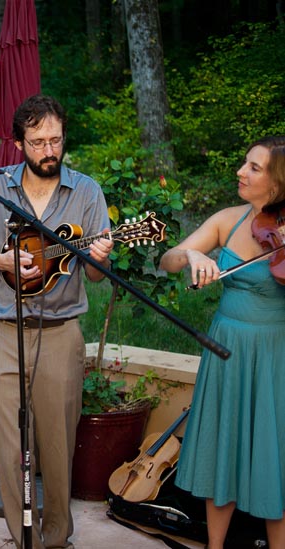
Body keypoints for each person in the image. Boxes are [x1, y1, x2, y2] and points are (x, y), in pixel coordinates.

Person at [0, 94, 114, 549]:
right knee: (10, 446)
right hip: (3, 331)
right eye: (38, 142)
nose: (49, 150)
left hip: (62, 331)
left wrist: (99, 258)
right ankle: (21, 537)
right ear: (17, 143)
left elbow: (93, 274)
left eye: (56, 140)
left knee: (57, 442)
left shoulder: (86, 191)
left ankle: (56, 538)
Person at [159, 136, 285, 549]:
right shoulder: (227, 219)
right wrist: (192, 257)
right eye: (244, 163)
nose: (241, 172)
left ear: (278, 182)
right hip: (226, 349)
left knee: (274, 456)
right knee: (223, 451)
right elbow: (169, 259)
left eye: (254, 167)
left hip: (275, 354)